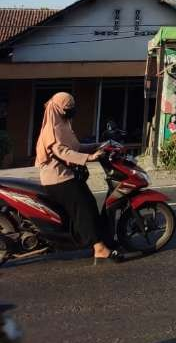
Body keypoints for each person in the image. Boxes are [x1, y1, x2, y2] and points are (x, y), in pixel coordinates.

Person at [33, 92, 120, 264]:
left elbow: (76, 147)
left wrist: (95, 146)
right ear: (58, 108)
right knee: (84, 208)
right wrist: (89, 158)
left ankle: (103, 240)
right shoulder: (52, 128)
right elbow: (62, 152)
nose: (71, 111)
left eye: (72, 108)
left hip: (67, 174)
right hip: (57, 178)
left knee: (90, 203)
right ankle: (99, 248)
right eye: (68, 108)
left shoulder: (63, 124)